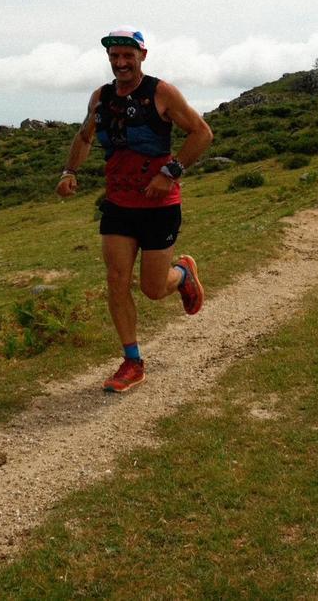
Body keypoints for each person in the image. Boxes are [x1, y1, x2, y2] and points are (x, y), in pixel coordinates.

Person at [56, 26, 213, 393]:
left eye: (128, 55)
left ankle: (183, 275)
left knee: (154, 289)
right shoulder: (101, 97)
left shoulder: (162, 93)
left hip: (159, 205)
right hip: (118, 204)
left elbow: (202, 133)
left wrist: (170, 173)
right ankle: (132, 360)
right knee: (116, 279)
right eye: (114, 57)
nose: (121, 62)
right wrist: (69, 171)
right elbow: (84, 137)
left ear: (142, 56)